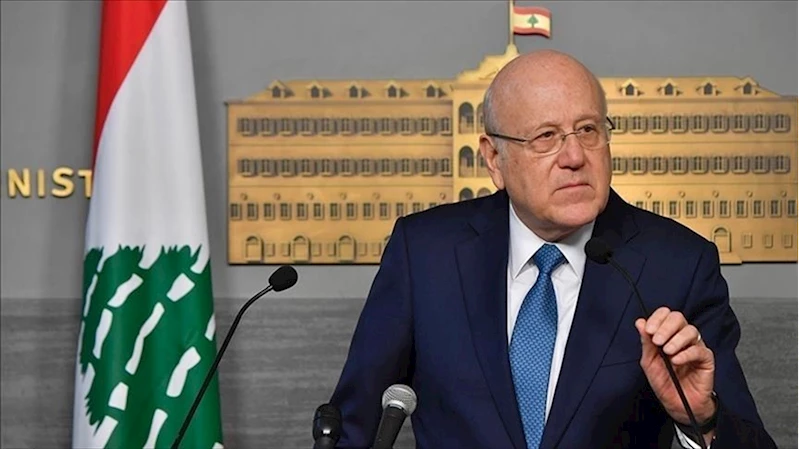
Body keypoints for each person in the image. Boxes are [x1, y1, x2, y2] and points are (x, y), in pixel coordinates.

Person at [328, 49, 776, 449]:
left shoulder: (679, 264)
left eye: (588, 130)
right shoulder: (424, 254)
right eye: (545, 136)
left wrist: (703, 420)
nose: (575, 157)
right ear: (494, 159)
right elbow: (353, 427)